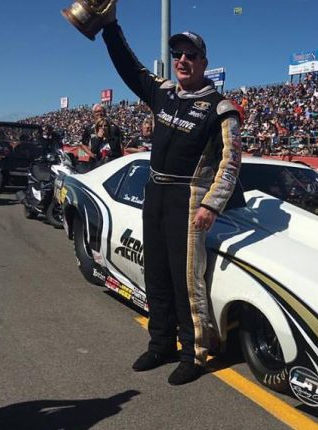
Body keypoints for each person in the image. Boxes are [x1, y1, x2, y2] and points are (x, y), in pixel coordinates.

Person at [94, 5, 241, 385]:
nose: (182, 60)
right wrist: (110, 26)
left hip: (189, 199)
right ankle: (160, 344)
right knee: (155, 274)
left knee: (186, 281)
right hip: (155, 192)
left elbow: (230, 164)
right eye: (178, 54)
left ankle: (195, 353)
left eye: (191, 55)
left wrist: (211, 204)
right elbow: (129, 67)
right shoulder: (162, 92)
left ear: (204, 62)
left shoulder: (221, 109)